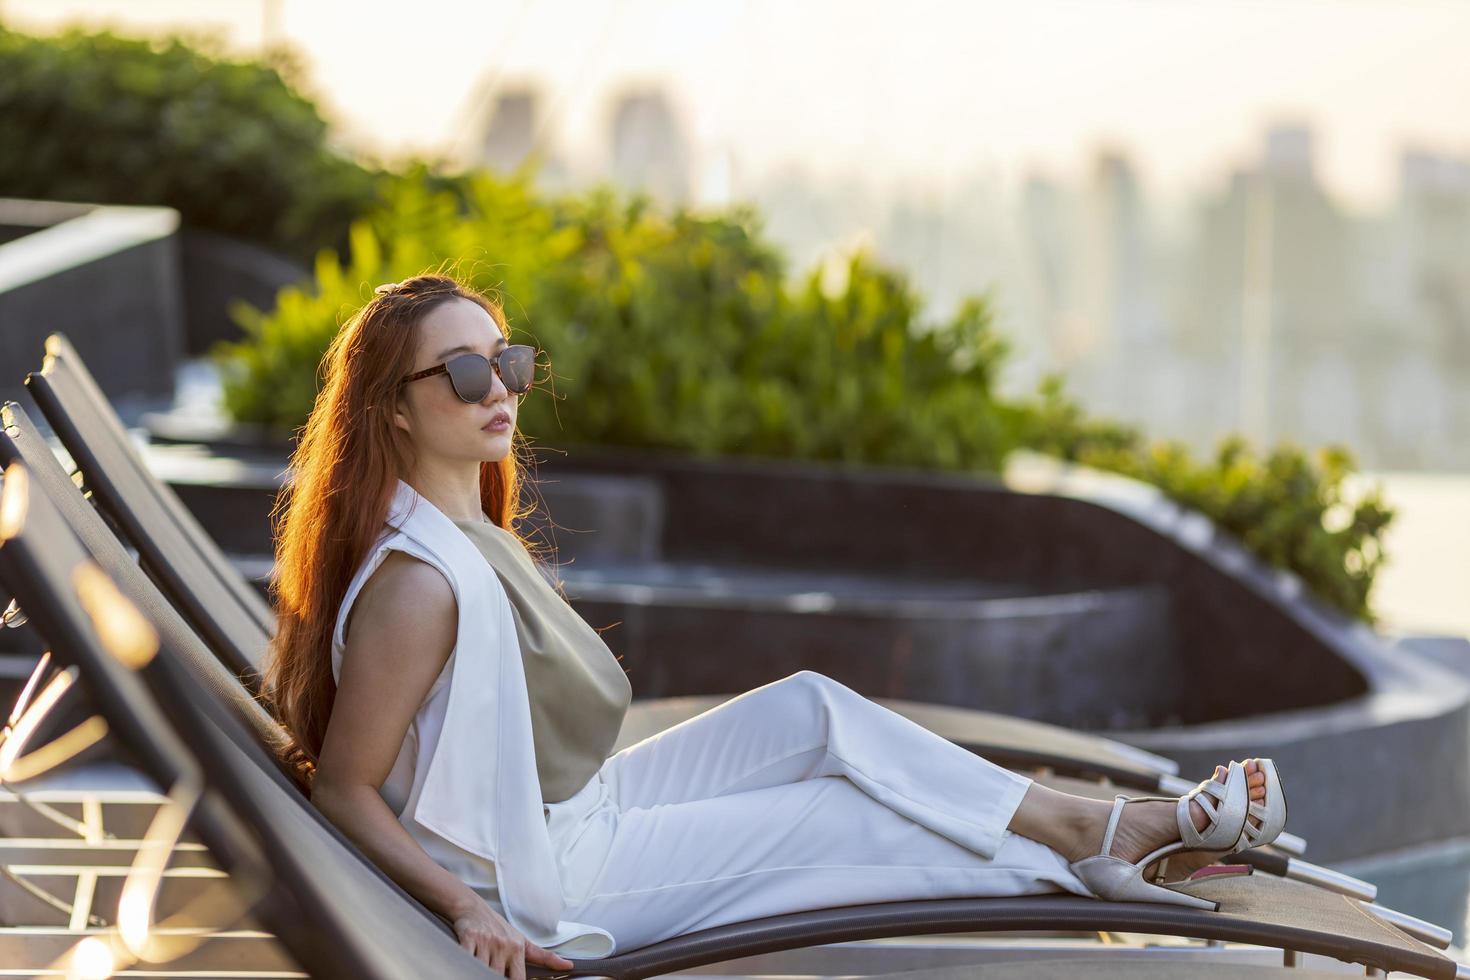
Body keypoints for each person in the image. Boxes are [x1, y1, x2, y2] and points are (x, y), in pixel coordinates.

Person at [260, 273, 1284, 978]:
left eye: (508, 362)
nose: (502, 392)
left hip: (580, 807)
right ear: (393, 408)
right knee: (852, 820)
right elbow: (347, 785)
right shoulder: (419, 583)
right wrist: (465, 906)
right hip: (549, 875)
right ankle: (1104, 850)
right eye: (467, 374)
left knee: (815, 715)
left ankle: (1087, 835)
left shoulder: (466, 530)